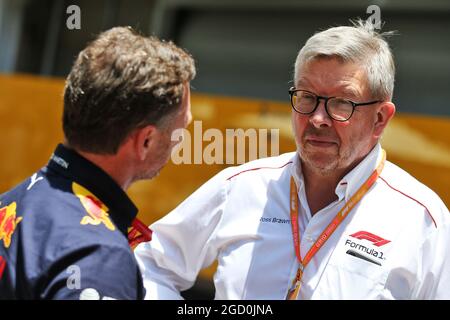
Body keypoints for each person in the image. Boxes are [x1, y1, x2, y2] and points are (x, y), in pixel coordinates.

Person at [134, 19, 450, 299]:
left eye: (341, 103)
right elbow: (149, 263)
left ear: (380, 118)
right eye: (307, 98)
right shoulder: (241, 187)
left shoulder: (423, 220)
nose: (317, 118)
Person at [0, 26, 195, 299]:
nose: (181, 142)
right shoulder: (98, 256)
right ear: (146, 141)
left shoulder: (13, 201)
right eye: (180, 130)